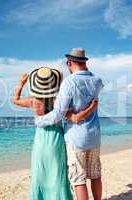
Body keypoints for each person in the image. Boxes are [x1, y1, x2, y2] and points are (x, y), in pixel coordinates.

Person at [13, 67, 98, 200]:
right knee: (58, 172)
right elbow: (74, 116)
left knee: (40, 172)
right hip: (56, 139)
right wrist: (91, 108)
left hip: (40, 140)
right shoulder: (57, 101)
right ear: (53, 84)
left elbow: (15, 100)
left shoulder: (33, 101)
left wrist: (21, 83)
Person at [35, 48, 104, 200]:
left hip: (76, 137)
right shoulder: (97, 81)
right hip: (94, 135)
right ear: (84, 62)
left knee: (78, 179)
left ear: (70, 62)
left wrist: (39, 121)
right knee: (95, 174)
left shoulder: (69, 82)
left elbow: (58, 113)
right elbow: (94, 98)